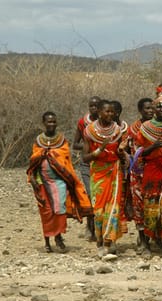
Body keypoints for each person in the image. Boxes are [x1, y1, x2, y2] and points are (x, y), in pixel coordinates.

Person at [27, 111, 93, 253]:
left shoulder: (62, 141)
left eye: (53, 121)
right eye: (49, 122)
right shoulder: (38, 141)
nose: (51, 124)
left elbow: (65, 161)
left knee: (59, 210)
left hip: (59, 181)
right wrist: (33, 176)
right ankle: (47, 240)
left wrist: (52, 155)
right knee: (46, 211)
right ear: (43, 123)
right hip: (42, 181)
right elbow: (33, 160)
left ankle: (58, 237)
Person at [82, 100, 129, 257]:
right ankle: (100, 241)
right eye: (106, 111)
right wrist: (99, 150)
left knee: (113, 208)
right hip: (98, 173)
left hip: (114, 171)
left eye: (112, 112)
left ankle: (109, 242)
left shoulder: (117, 131)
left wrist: (122, 151)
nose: (110, 114)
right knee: (99, 210)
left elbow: (121, 153)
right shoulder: (89, 131)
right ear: (99, 112)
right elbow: (85, 158)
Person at [135, 94, 162, 261]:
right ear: (153, 109)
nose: (161, 109)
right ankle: (146, 243)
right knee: (150, 208)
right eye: (158, 107)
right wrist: (153, 146)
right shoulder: (145, 128)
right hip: (151, 171)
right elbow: (139, 152)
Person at [127, 98, 154, 253]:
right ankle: (143, 240)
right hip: (138, 173)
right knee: (139, 207)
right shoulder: (133, 129)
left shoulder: (158, 126)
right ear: (140, 110)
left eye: (152, 108)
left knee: (154, 205)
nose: (150, 111)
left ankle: (154, 238)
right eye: (146, 108)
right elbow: (130, 150)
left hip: (156, 172)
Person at [72, 96, 101, 241]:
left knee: (100, 197)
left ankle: (98, 227)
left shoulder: (106, 124)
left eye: (96, 106)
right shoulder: (83, 123)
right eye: (91, 106)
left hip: (102, 164)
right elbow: (75, 144)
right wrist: (88, 147)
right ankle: (90, 226)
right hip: (86, 163)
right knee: (90, 195)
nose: (93, 108)